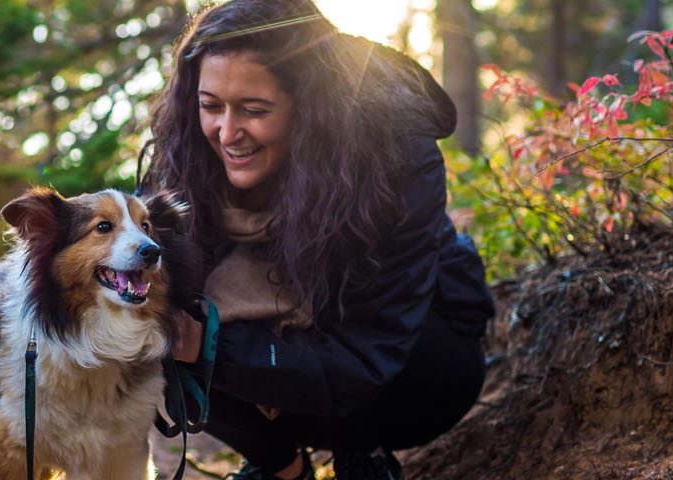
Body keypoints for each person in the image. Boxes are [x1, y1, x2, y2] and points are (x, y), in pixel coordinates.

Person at [139, 0, 496, 479]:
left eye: (254, 110)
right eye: (210, 106)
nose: (227, 133)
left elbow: (370, 351)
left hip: (411, 374)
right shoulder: (183, 157)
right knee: (150, 319)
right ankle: (281, 468)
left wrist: (210, 346)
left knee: (320, 295)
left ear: (310, 104)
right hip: (279, 367)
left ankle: (361, 455)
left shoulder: (397, 158)